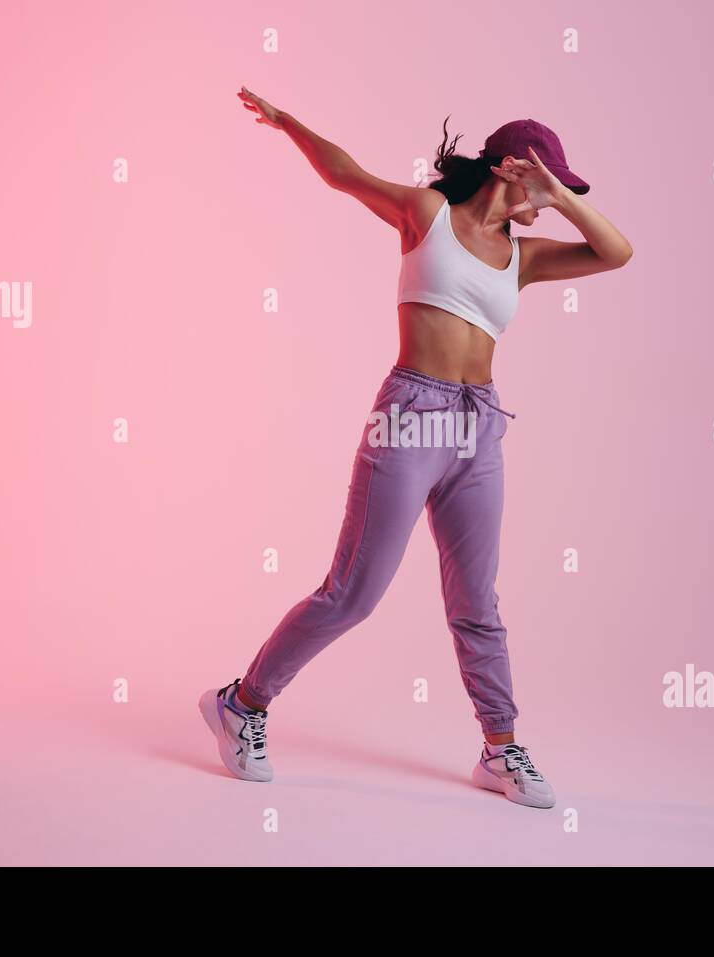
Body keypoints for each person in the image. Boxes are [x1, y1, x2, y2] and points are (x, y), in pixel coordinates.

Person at [200, 86, 633, 809]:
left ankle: (500, 748)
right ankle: (241, 704)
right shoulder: (428, 216)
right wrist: (289, 124)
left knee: (476, 603)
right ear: (509, 167)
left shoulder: (520, 257)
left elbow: (616, 253)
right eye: (547, 178)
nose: (553, 197)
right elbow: (346, 173)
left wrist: (558, 193)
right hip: (410, 414)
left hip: (478, 426)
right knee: (352, 595)